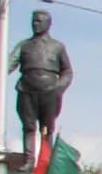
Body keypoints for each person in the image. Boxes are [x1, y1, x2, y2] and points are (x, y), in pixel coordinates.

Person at [9, 9, 73, 157]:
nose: (35, 24)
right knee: (28, 126)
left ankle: (46, 159)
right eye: (33, 21)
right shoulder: (24, 45)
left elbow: (67, 71)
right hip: (27, 88)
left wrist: (59, 87)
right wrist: (0, 74)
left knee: (47, 128)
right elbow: (10, 62)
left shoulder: (58, 47)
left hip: (49, 91)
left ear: (48, 24)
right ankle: (29, 159)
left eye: (38, 21)